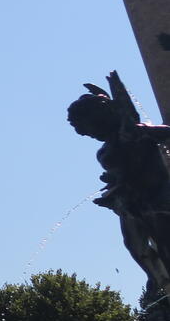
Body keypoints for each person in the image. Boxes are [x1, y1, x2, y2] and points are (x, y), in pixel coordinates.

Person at [68, 73, 170, 295]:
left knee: (164, 242)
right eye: (86, 133)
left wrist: (115, 91)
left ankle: (162, 283)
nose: (91, 135)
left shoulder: (133, 132)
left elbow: (128, 116)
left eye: (91, 128)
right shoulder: (106, 149)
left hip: (158, 200)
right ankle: (160, 282)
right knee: (135, 245)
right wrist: (112, 187)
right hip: (133, 204)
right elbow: (122, 174)